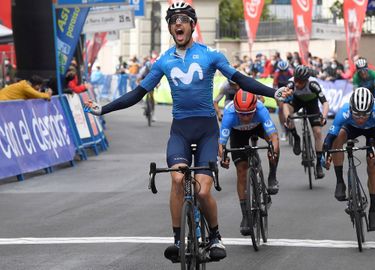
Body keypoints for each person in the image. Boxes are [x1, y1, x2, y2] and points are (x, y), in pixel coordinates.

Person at [84, 1, 289, 263]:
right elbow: (137, 94)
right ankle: (177, 239)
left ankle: (215, 236)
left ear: (193, 25)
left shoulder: (211, 55)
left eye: (183, 19)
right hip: (180, 130)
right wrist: (103, 109)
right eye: (173, 20)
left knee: (203, 192)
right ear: (170, 28)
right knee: (178, 179)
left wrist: (274, 92)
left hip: (206, 130)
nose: (177, 24)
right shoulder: (163, 61)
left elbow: (241, 80)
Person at [323, 87, 375, 231]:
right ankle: (340, 181)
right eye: (356, 114)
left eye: (364, 115)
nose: (360, 118)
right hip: (350, 128)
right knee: (338, 138)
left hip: (372, 131)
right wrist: (326, 154)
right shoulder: (344, 110)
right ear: (351, 109)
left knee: (372, 164)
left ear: (371, 110)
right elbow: (329, 138)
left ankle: (373, 209)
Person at [218, 89, 280, 235]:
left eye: (249, 113)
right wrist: (223, 157)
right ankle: (246, 215)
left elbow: (274, 137)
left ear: (255, 109)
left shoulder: (260, 109)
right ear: (236, 110)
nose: (245, 117)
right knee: (242, 170)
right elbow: (221, 143)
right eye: (242, 114)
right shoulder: (229, 114)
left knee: (273, 144)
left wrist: (273, 152)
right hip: (237, 133)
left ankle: (272, 176)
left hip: (258, 127)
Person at [282, 65, 329, 179]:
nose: (297, 84)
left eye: (300, 81)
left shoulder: (313, 85)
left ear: (307, 80)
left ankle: (318, 163)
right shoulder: (291, 84)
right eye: (296, 80)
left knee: (317, 132)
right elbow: (284, 101)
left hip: (312, 104)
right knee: (286, 108)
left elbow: (325, 103)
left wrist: (323, 116)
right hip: (297, 101)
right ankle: (295, 136)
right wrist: (288, 117)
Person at [273, 60, 293, 141]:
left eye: (285, 70)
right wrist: (276, 99)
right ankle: (283, 130)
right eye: (282, 71)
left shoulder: (291, 72)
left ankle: (290, 123)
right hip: (280, 92)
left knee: (290, 109)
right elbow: (274, 86)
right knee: (280, 109)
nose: (284, 72)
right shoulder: (277, 73)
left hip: (290, 91)